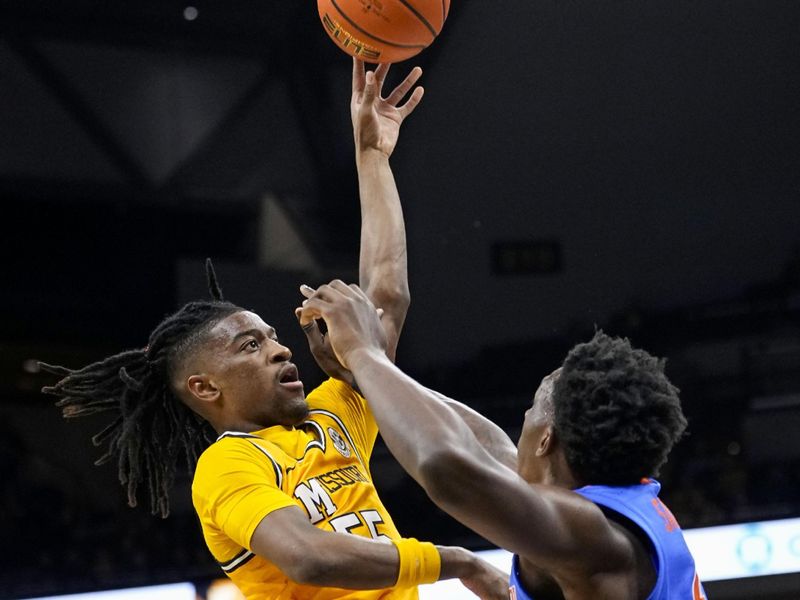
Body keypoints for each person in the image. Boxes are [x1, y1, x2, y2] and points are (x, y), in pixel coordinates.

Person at [40, 60, 507, 600]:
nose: (281, 348)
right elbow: (310, 558)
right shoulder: (226, 467)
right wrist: (454, 561)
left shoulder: (330, 417)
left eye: (270, 335)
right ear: (205, 387)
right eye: (251, 345)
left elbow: (385, 300)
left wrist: (372, 156)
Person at [297, 281, 708, 599]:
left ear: (546, 440)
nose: (520, 425)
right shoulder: (615, 506)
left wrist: (365, 354)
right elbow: (491, 450)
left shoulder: (592, 535)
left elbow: (446, 466)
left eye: (530, 413)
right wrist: (370, 377)